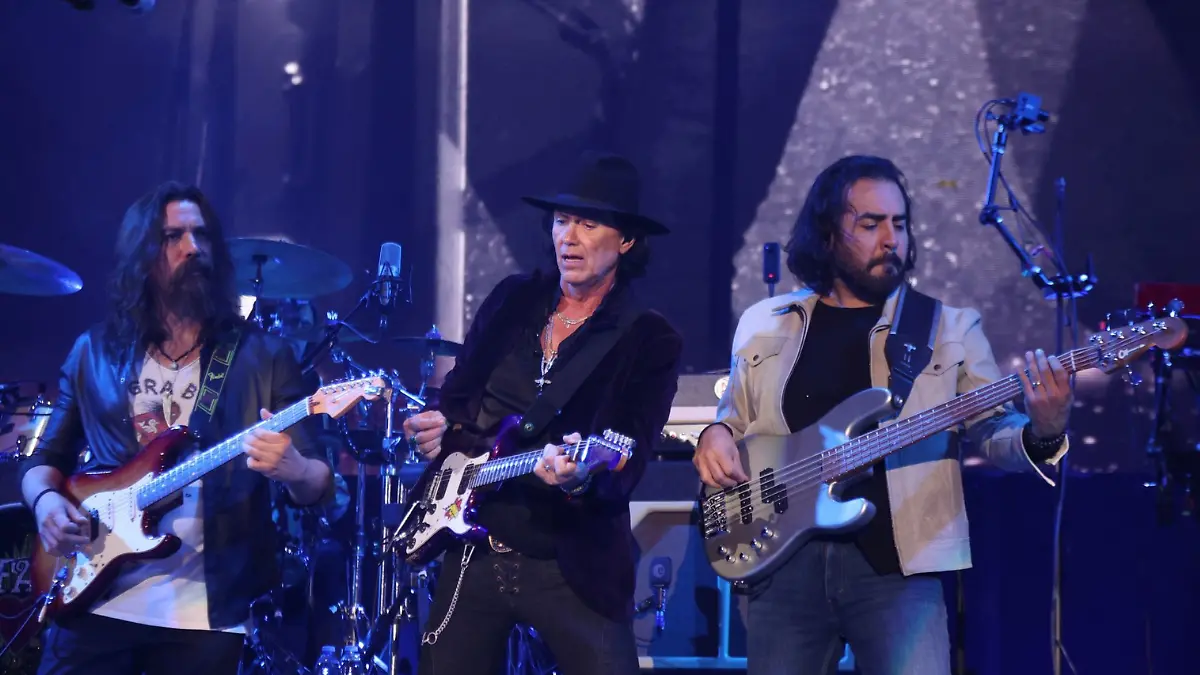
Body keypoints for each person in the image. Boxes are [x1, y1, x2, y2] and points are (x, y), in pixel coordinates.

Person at [692, 155, 1072, 675]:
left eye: (899, 223)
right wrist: (714, 433)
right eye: (870, 224)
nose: (891, 239)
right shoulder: (765, 322)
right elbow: (733, 421)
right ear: (828, 234)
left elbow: (992, 430)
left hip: (899, 568)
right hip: (782, 567)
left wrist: (1045, 430)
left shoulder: (949, 328)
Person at [20, 182, 334, 675]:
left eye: (201, 235)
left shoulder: (263, 356)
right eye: (173, 237)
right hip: (92, 597)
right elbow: (44, 461)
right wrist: (46, 504)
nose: (193, 248)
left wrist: (295, 469)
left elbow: (319, 481)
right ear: (142, 255)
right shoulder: (94, 352)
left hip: (205, 614)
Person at [402, 152, 683, 675]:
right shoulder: (513, 299)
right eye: (561, 221)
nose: (568, 238)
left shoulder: (649, 338)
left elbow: (629, 455)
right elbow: (458, 397)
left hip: (570, 562)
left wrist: (581, 477)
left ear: (626, 240)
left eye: (588, 225)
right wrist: (440, 426)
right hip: (475, 547)